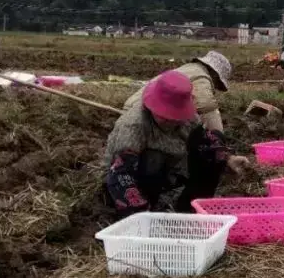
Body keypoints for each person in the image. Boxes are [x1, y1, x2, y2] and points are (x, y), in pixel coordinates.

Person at [104, 68, 250, 217]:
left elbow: (205, 142)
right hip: (134, 179)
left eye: (174, 116)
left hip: (172, 168)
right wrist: (141, 215)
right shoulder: (134, 125)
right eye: (163, 115)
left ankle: (190, 209)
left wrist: (227, 159)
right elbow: (120, 174)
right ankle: (149, 206)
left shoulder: (189, 119)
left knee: (215, 142)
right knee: (154, 158)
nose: (170, 120)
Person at [125, 50, 233, 133]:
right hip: (142, 112)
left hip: (136, 106)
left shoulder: (189, 69)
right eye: (218, 84)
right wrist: (219, 140)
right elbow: (207, 108)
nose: (215, 87)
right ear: (215, 74)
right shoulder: (201, 76)